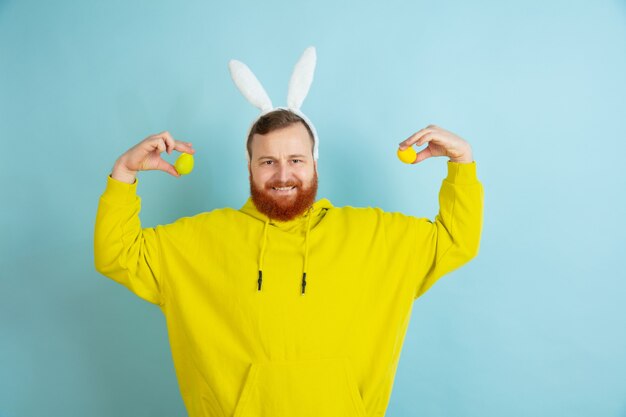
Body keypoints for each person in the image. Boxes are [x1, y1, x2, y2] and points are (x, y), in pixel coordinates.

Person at [94, 48, 483, 417]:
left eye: (296, 159)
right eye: (268, 161)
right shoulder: (198, 241)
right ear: (249, 167)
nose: (283, 175)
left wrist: (462, 163)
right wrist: (124, 174)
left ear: (314, 163)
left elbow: (454, 240)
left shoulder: (376, 235)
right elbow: (117, 253)